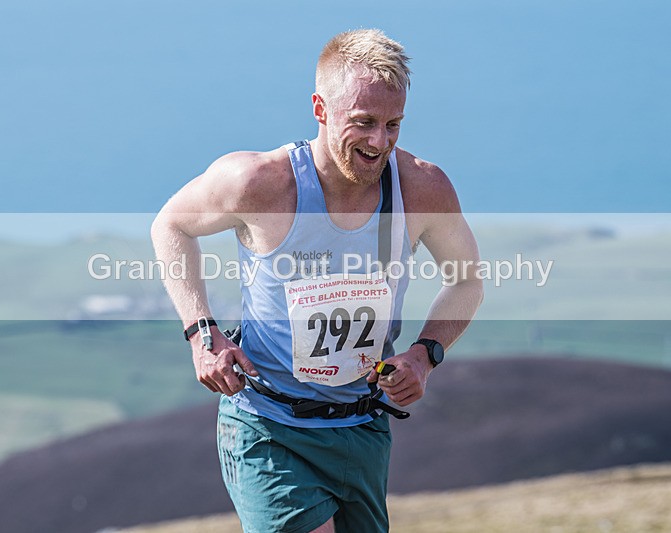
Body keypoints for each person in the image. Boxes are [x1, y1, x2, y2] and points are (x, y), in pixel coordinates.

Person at [151, 29, 483, 533]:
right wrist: (201, 333)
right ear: (320, 109)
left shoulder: (421, 187)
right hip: (268, 424)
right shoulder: (258, 182)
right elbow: (171, 225)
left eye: (393, 124)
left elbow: (467, 281)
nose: (380, 142)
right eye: (364, 123)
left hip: (362, 426)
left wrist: (424, 354)